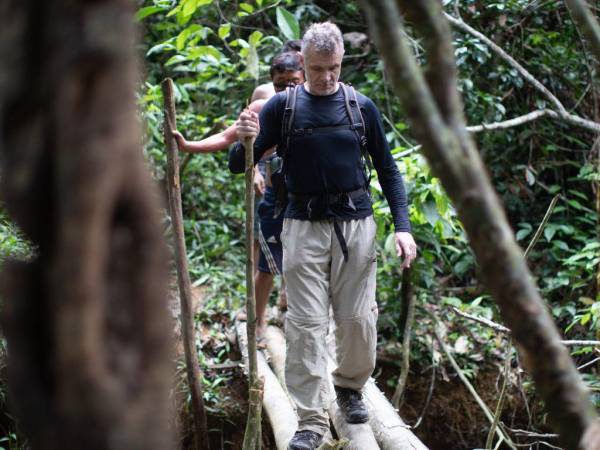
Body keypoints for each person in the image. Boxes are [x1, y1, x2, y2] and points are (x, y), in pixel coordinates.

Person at [229, 22, 417, 450]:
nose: (325, 77)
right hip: (302, 226)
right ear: (304, 63)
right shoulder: (282, 107)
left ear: (341, 64)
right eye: (317, 69)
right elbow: (239, 164)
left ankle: (349, 387)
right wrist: (245, 140)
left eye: (333, 68)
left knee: (356, 321)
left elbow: (388, 169)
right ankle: (311, 419)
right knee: (307, 324)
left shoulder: (360, 106)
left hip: (356, 225)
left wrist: (403, 228)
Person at [172, 51, 304, 338]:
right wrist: (188, 145)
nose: (288, 89)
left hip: (308, 201)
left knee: (303, 263)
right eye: (282, 84)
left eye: (294, 81)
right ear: (272, 83)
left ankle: (294, 318)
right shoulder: (262, 107)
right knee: (267, 263)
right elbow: (227, 138)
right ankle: (257, 324)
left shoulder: (317, 104)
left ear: (304, 78)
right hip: (276, 196)